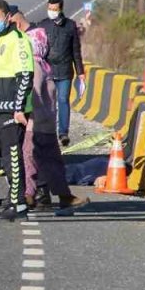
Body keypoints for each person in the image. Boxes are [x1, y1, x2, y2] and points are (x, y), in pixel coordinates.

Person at [24, 27, 90, 216]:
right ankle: (32, 195)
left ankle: (58, 196)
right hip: (38, 123)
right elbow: (34, 95)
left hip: (41, 123)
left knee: (41, 161)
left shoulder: (41, 65)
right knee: (37, 160)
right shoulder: (38, 66)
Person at [0, 0, 35, 221]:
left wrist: (19, 107)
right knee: (6, 158)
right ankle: (14, 200)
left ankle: (19, 203)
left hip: (11, 109)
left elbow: (25, 75)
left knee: (13, 156)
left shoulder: (18, 39)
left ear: (7, 17)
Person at [34, 0, 85, 147]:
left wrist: (80, 72)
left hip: (65, 71)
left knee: (63, 100)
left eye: (54, 9)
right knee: (49, 102)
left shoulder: (70, 26)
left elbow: (76, 51)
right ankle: (47, 132)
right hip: (47, 70)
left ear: (61, 9)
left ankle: (63, 133)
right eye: (49, 8)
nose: (51, 11)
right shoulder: (42, 25)